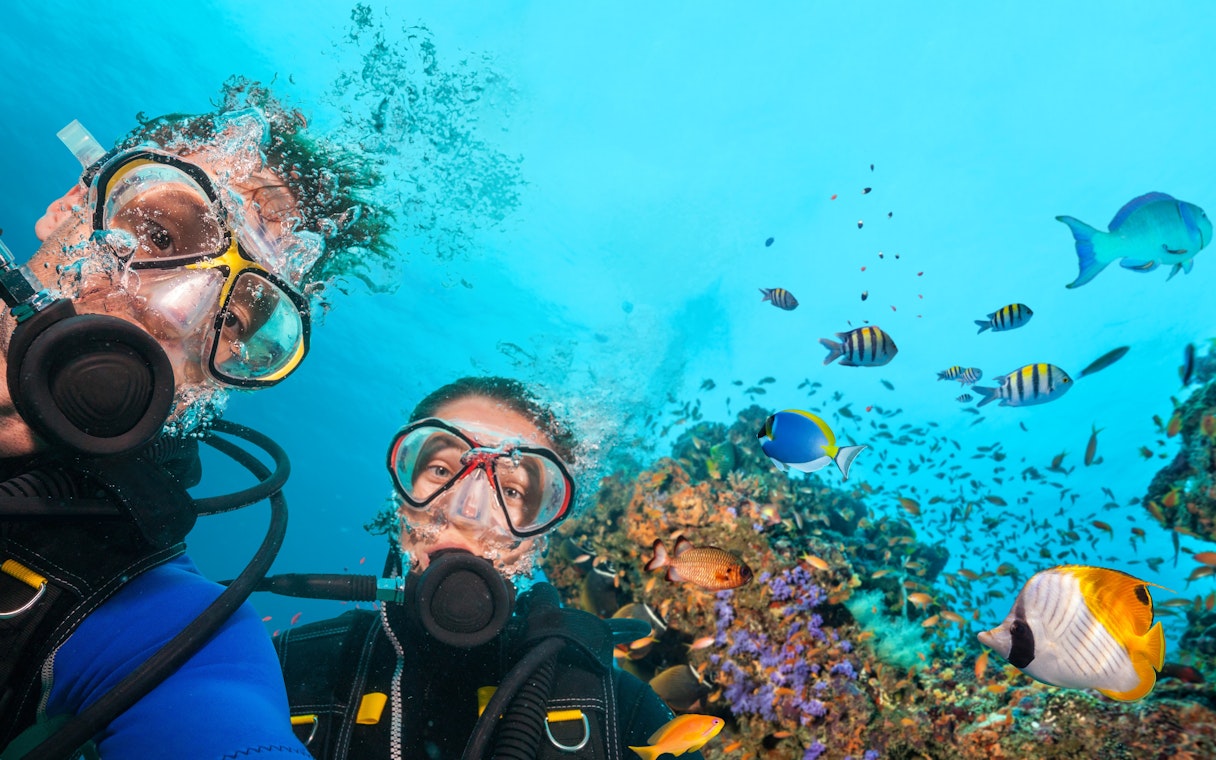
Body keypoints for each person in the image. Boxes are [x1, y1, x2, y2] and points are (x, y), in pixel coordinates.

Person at [0, 79, 389, 759]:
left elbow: (222, 719)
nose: (177, 315)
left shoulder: (159, 618)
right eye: (156, 232)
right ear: (70, 205)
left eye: (233, 317)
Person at [274, 376, 701, 760]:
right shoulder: (279, 668)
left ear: (539, 535)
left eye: (512, 490)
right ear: (399, 499)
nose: (468, 512)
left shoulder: (618, 709)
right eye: (440, 469)